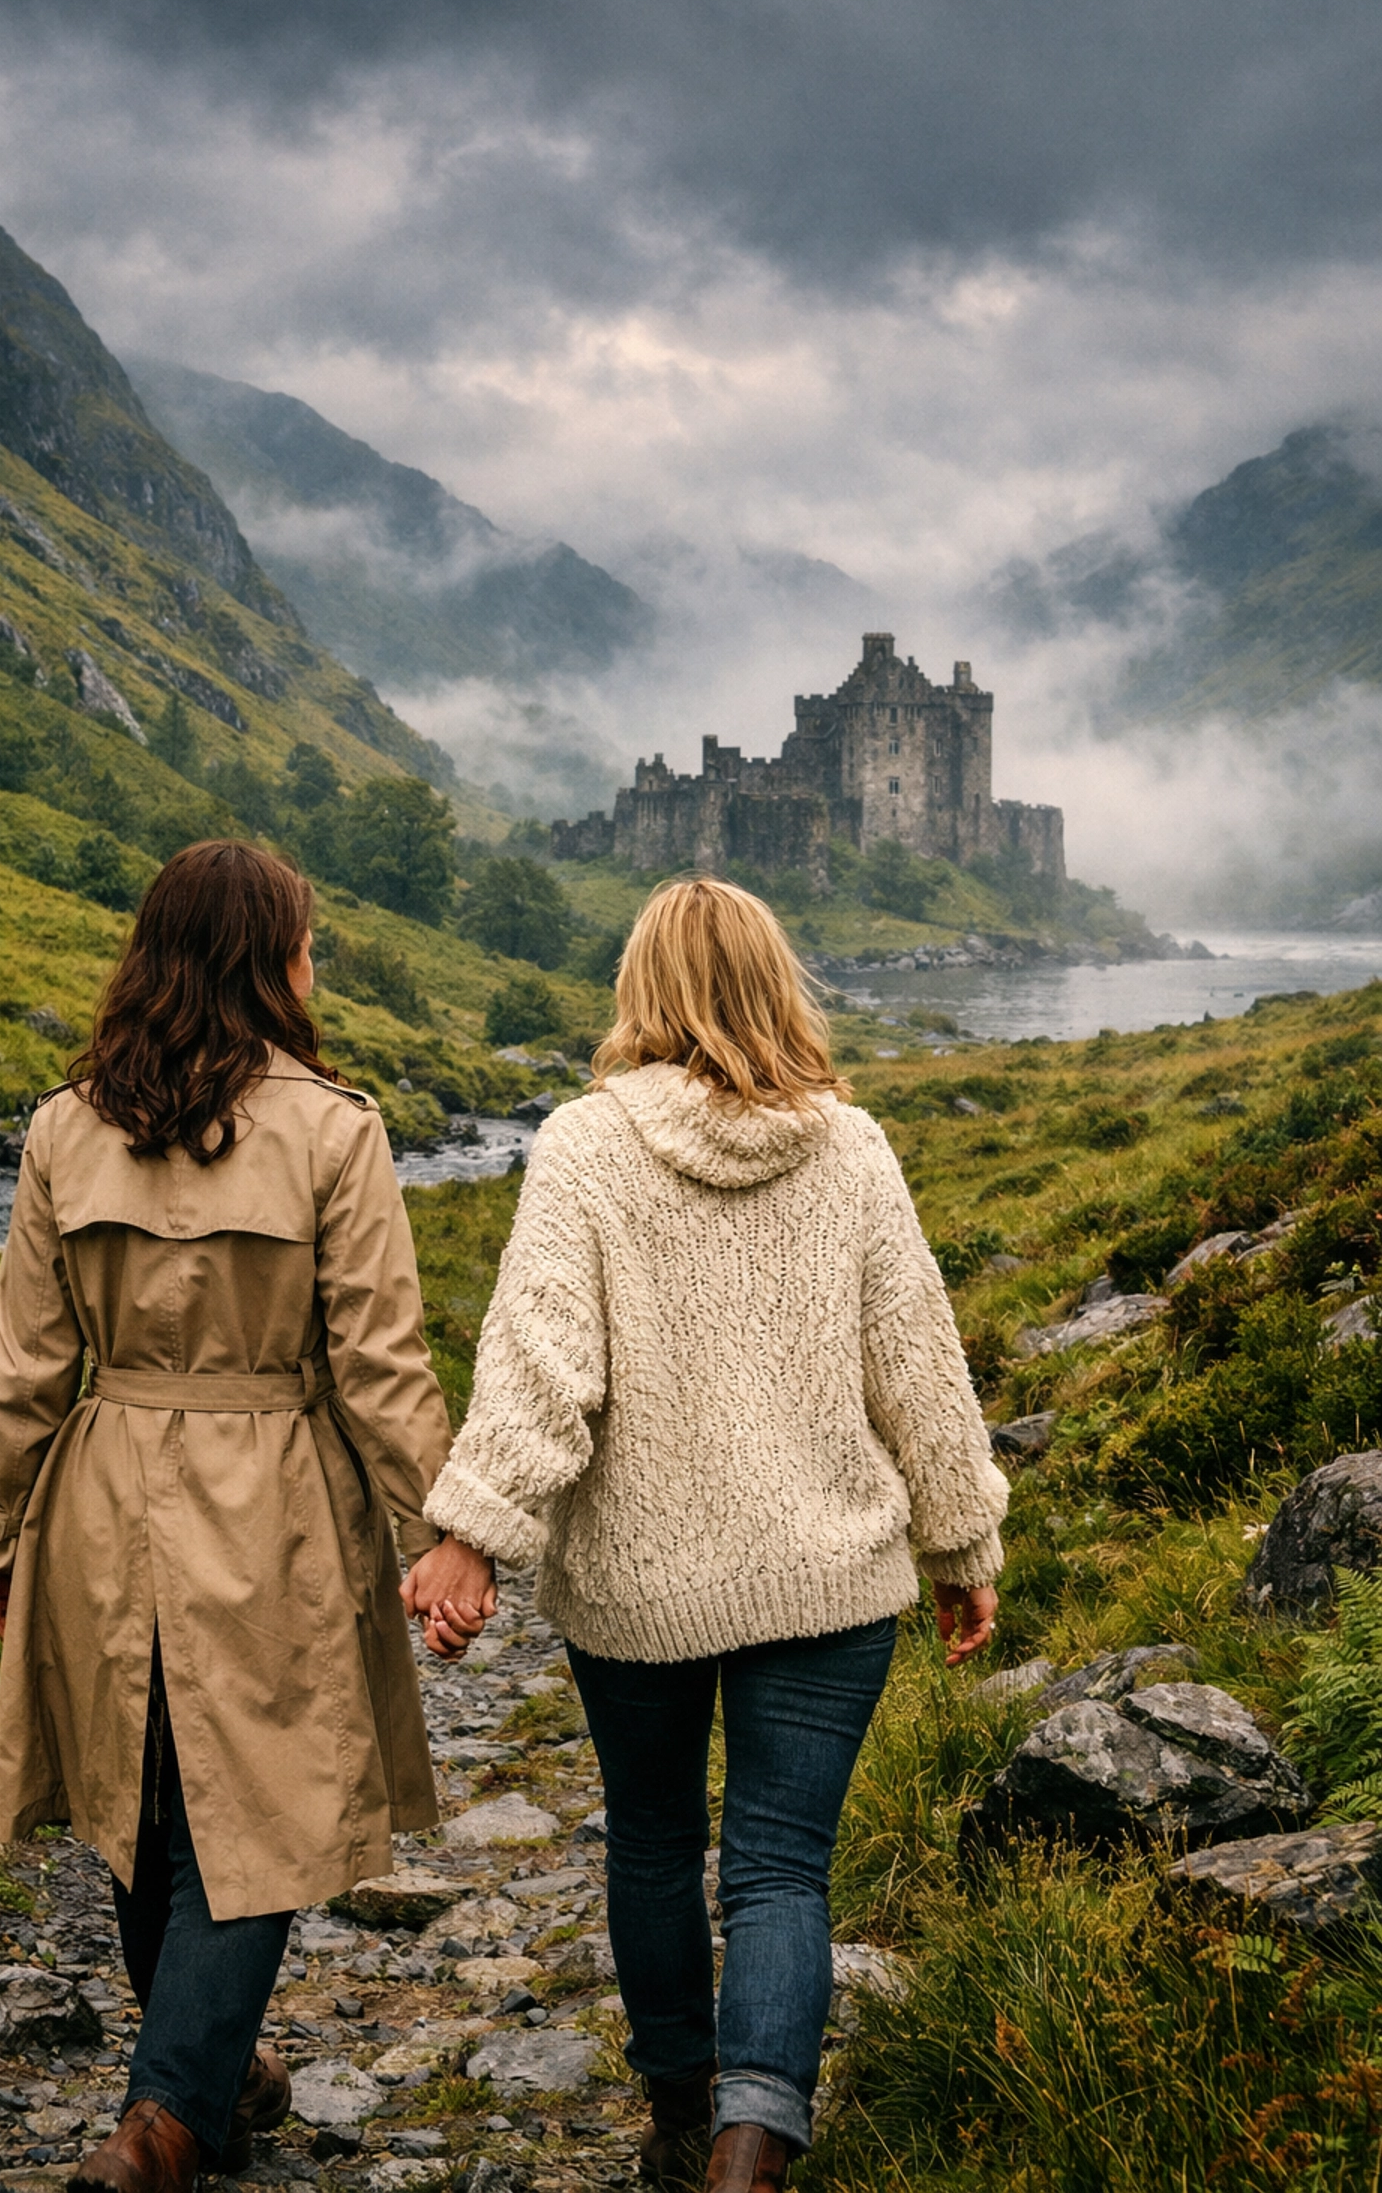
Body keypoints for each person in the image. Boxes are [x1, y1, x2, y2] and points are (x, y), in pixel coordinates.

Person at [407, 876, 1005, 2193]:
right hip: (827, 1575)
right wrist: (962, 1547)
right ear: (775, 984)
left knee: (657, 1840)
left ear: (645, 990)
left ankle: (681, 2112)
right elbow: (920, 1371)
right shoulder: (851, 1147)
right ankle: (753, 2149)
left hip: (641, 1578)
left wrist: (473, 1536)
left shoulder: (582, 1143)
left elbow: (537, 1368)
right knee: (783, 1867)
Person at [0, 841, 467, 2193]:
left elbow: (25, 1370)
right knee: (262, 1809)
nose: (318, 965)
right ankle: (165, 2128)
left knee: (146, 1801)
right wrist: (442, 1532)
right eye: (306, 941)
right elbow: (379, 1361)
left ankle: (208, 2069)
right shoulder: (332, 1127)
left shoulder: (66, 1125)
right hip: (273, 1498)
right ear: (270, 961)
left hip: (100, 1492)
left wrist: (0, 1534)